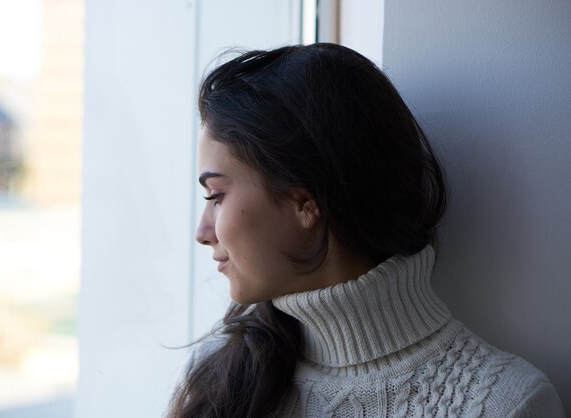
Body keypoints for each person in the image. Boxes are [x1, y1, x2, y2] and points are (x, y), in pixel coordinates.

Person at [168, 44, 564, 417]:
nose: (203, 232)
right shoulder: (219, 380)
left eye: (216, 196)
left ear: (305, 203)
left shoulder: (503, 404)